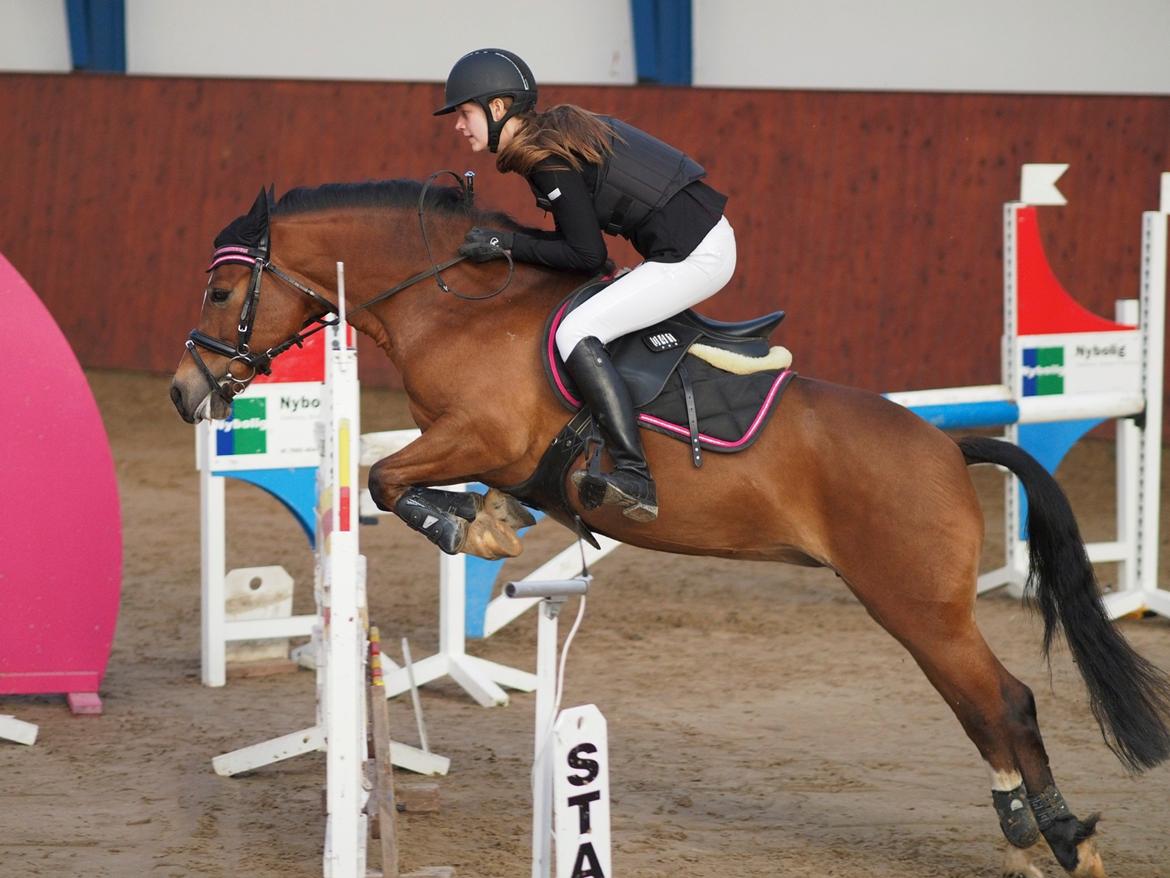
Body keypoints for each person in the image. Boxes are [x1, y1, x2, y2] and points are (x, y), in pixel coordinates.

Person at [435, 48, 737, 523]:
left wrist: (504, 241)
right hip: (686, 246)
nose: (458, 124)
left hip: (696, 255)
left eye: (465, 112)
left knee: (574, 331)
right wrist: (509, 241)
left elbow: (585, 256)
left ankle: (636, 474)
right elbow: (582, 246)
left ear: (498, 109)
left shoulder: (548, 158)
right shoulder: (550, 139)